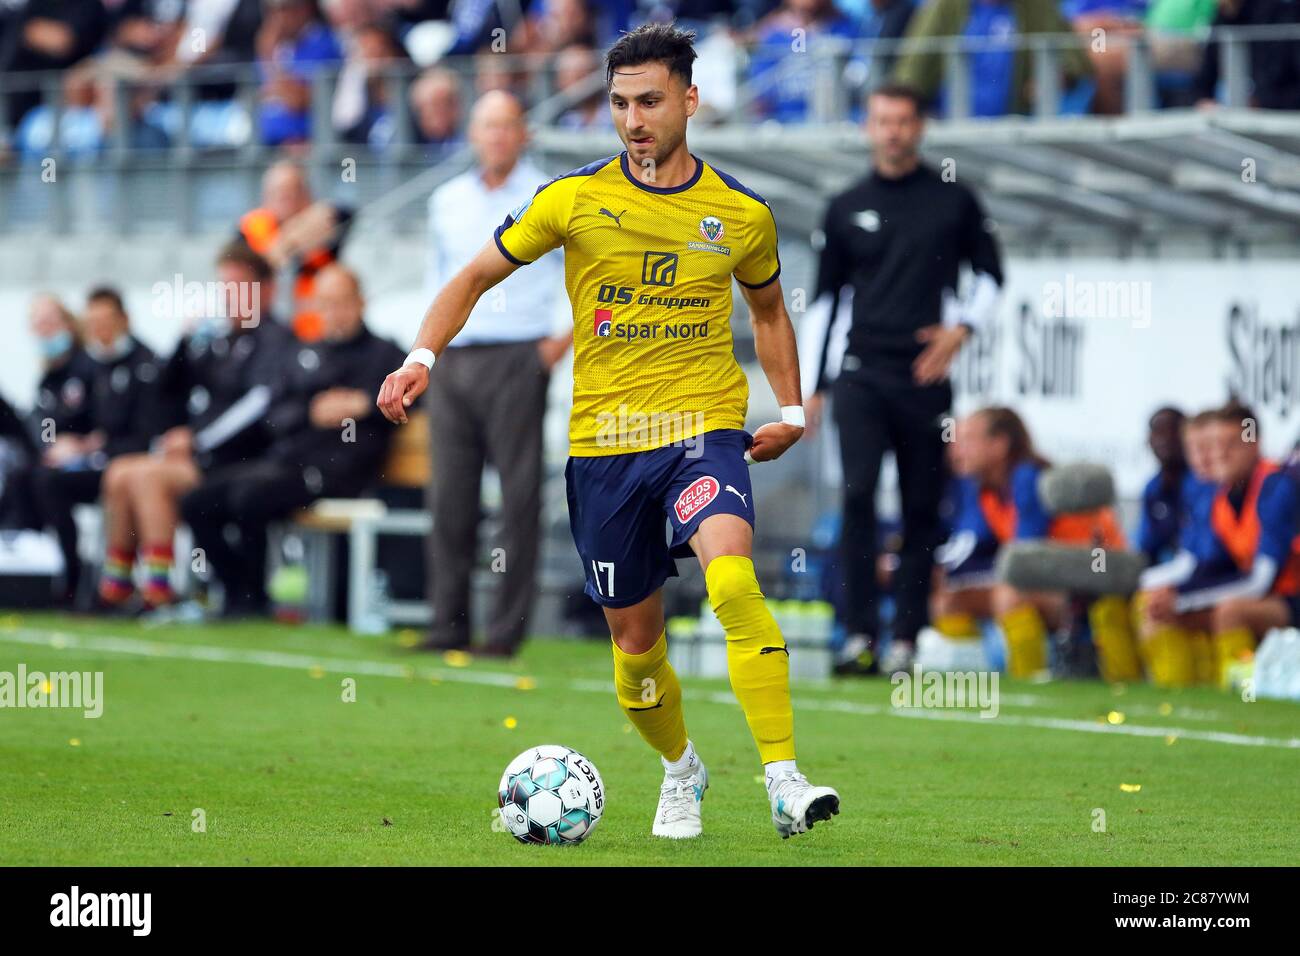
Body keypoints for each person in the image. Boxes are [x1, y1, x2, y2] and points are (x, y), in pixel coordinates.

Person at [378, 22, 841, 841]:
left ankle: (784, 777)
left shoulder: (739, 214)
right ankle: (681, 771)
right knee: (635, 647)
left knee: (732, 580)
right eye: (620, 102)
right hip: (604, 444)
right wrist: (422, 356)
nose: (634, 119)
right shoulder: (573, 199)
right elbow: (476, 275)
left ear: (690, 101)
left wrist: (794, 411)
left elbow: (770, 310)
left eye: (651, 101)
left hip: (703, 429)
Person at [808, 83, 1003, 677]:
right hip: (861, 375)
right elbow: (822, 302)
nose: (892, 131)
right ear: (868, 127)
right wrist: (810, 387)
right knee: (859, 496)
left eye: (903, 120)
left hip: (925, 379)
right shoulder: (845, 205)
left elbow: (992, 276)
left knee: (923, 506)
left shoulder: (954, 201)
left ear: (920, 127)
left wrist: (960, 330)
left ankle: (907, 640)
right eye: (881, 120)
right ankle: (859, 635)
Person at [419, 90, 571, 657]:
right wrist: (428, 351)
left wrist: (554, 344)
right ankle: (447, 624)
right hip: (458, 355)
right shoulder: (447, 200)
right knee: (450, 496)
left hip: (518, 353)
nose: (497, 136)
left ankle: (505, 633)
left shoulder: (547, 196)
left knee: (518, 499)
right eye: (487, 125)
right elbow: (439, 278)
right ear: (473, 133)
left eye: (507, 125)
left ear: (523, 132)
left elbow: (579, 277)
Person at [181, 265, 403, 617]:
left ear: (361, 302)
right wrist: (310, 411)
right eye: (326, 303)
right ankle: (239, 590)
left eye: (343, 302)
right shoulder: (302, 354)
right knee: (196, 502)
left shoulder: (385, 354)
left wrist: (364, 403)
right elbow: (273, 414)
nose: (335, 312)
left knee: (249, 498)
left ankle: (254, 599)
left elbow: (415, 398)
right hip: (287, 464)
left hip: (340, 472)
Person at [97, 243, 294, 609]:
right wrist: (185, 342)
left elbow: (256, 407)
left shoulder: (276, 340)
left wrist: (197, 440)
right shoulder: (220, 340)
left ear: (267, 290)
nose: (230, 298)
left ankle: (158, 589)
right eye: (226, 288)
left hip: (239, 460)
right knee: (120, 471)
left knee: (147, 477)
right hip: (200, 454)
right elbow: (167, 391)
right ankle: (118, 585)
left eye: (240, 288)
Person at [1140, 403, 1300, 682]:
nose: (1220, 455)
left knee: (1230, 611)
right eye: (1214, 445)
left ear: (1254, 444)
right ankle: (1188, 693)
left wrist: (1183, 597)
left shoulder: (1276, 486)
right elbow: (1213, 567)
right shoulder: (1220, 497)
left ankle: (1245, 689)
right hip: (1265, 595)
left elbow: (1261, 579)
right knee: (1161, 610)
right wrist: (1174, 596)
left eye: (1231, 445)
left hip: (1289, 595)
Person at [29, 287, 161, 604]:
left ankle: (125, 586)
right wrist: (67, 443)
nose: (99, 331)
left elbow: (147, 434)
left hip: (131, 464)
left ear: (124, 320)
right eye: (93, 323)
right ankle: (67, 574)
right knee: (41, 478)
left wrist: (95, 447)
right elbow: (70, 419)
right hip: (98, 463)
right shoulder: (89, 366)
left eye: (105, 321)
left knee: (118, 478)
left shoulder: (147, 366)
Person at [237, 160, 354, 342]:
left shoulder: (326, 221)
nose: (286, 199)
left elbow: (343, 214)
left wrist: (290, 241)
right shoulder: (246, 232)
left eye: (293, 192)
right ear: (265, 197)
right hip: (265, 336)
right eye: (278, 193)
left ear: (306, 195)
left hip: (317, 335)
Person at [1136, 406, 1188, 566]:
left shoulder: (1204, 484)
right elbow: (1147, 547)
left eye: (1173, 431)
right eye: (1157, 431)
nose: (1164, 439)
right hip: (1162, 575)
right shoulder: (1151, 488)